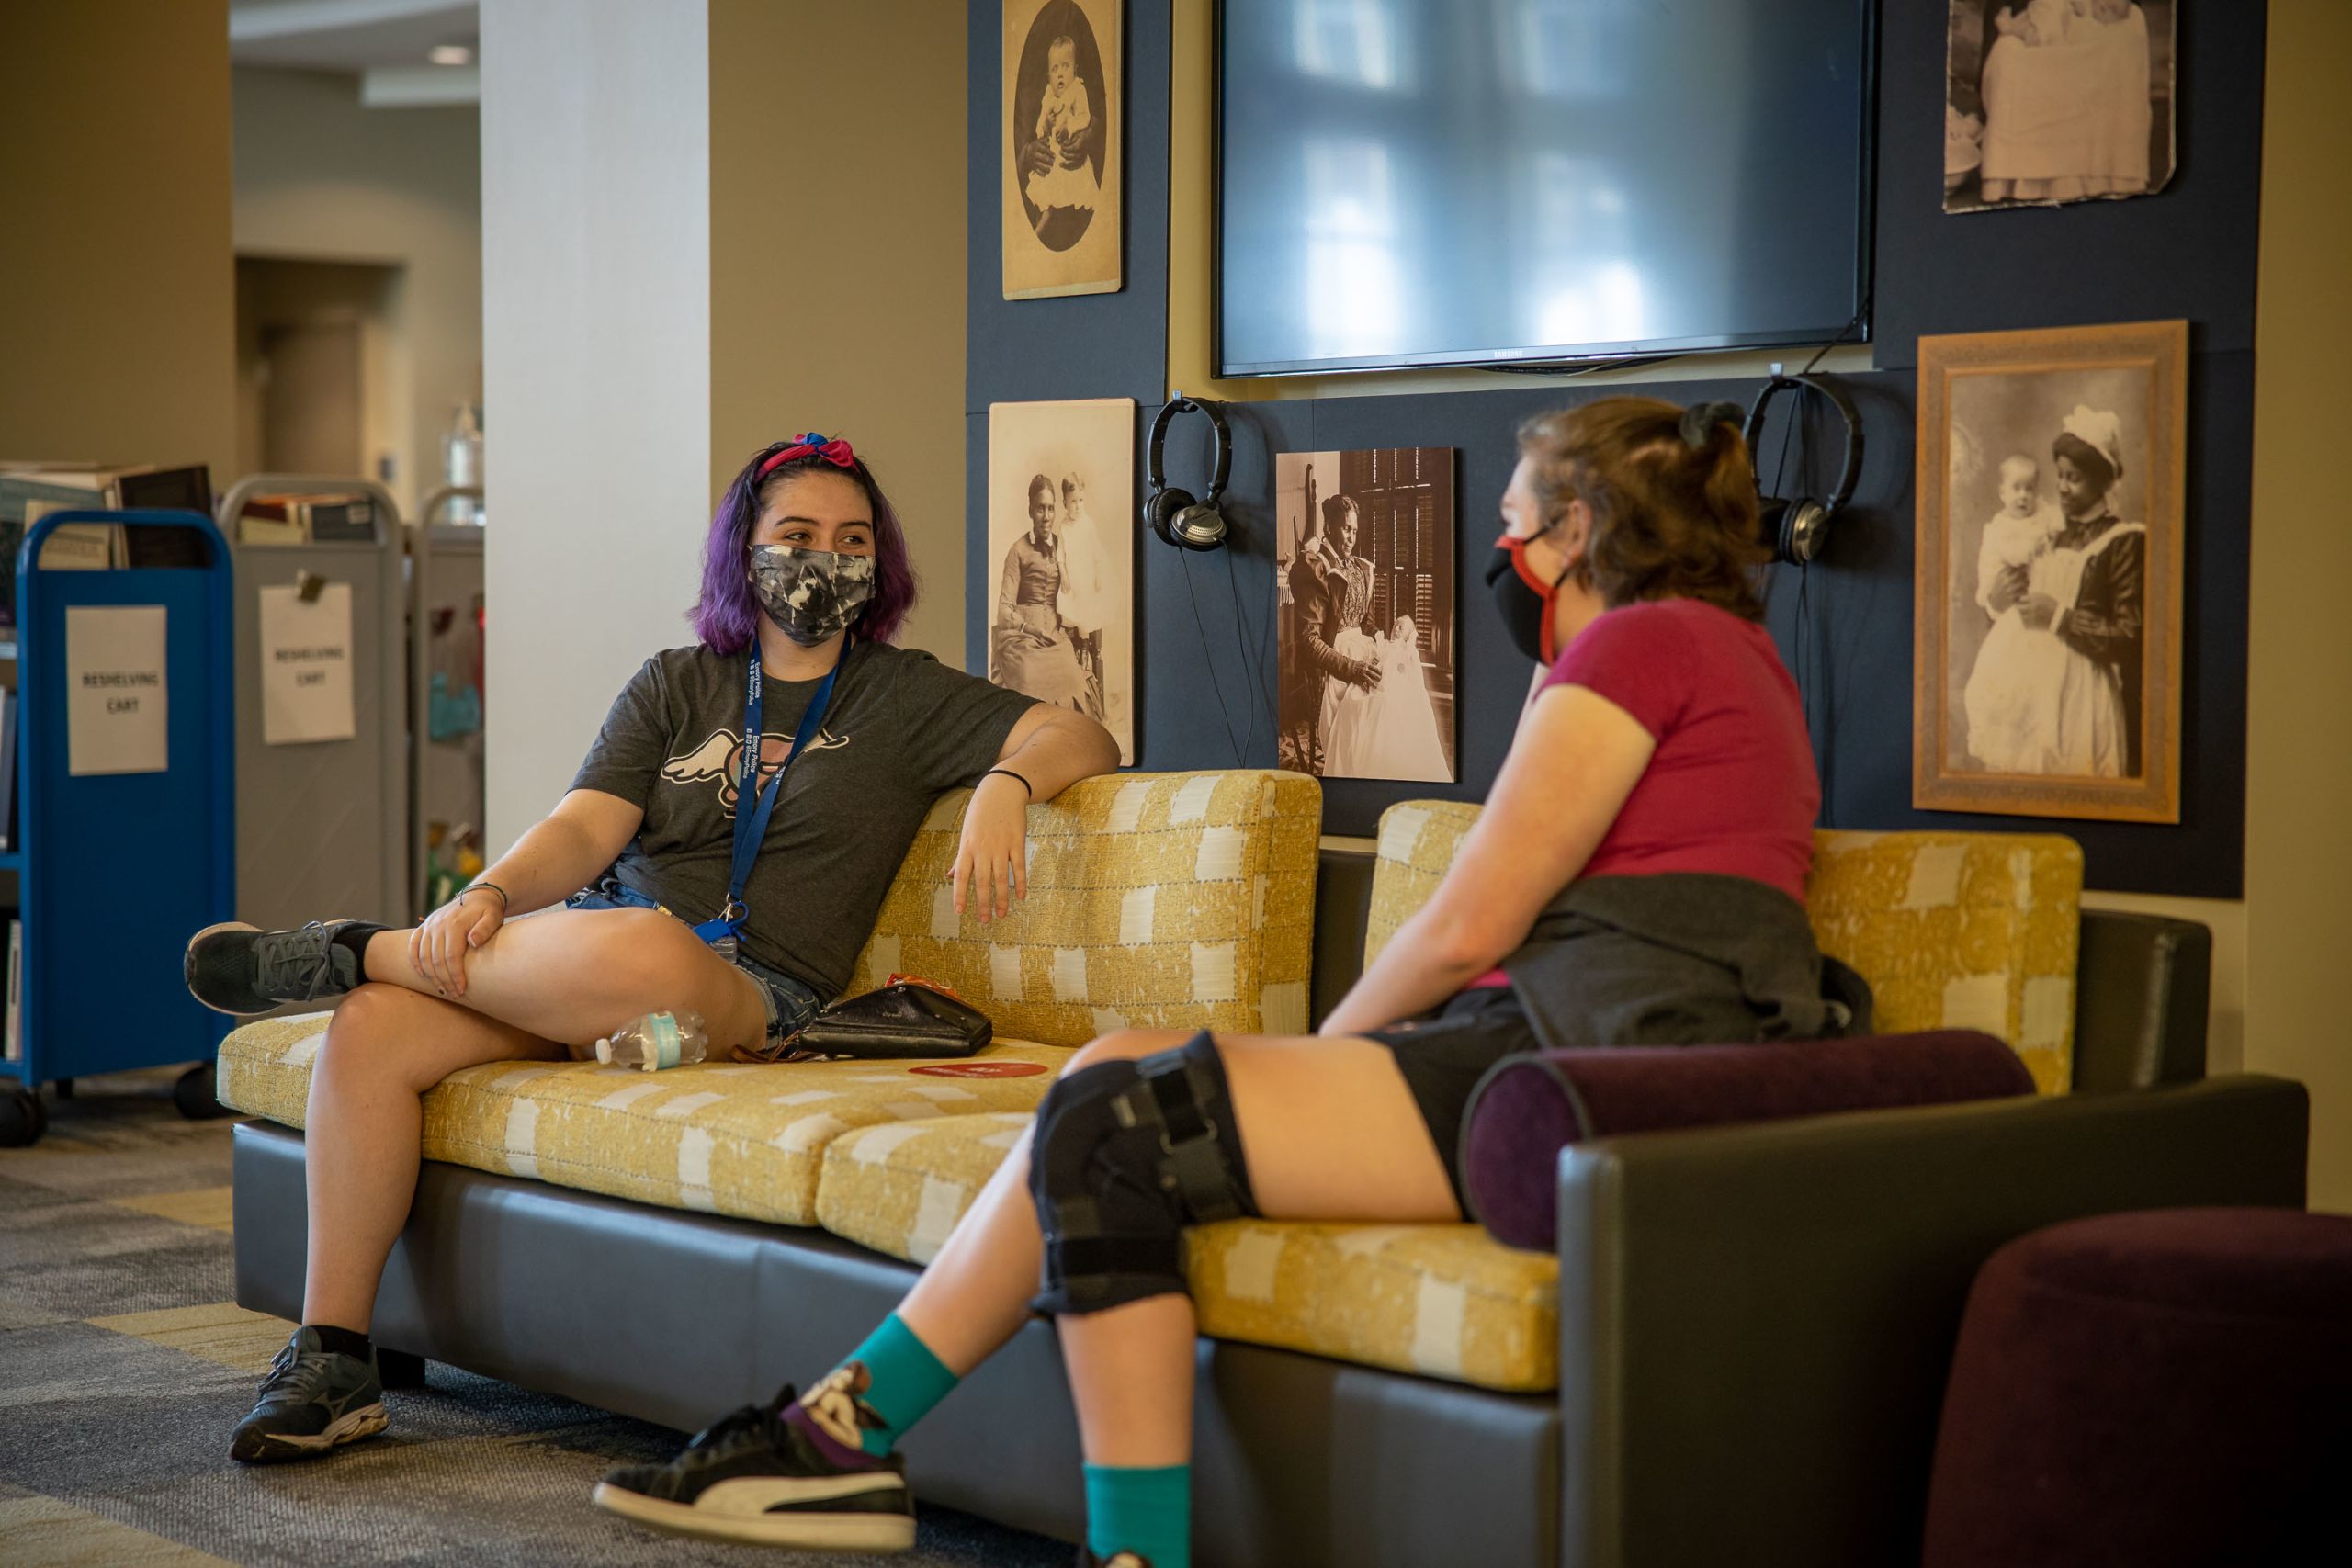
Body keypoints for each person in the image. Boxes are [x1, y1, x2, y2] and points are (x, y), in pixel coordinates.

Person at [588, 397, 1868, 1566]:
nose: (1499, 544)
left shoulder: (1640, 646)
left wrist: (1331, 1051)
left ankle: (1101, 1539)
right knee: (1101, 1067)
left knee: (1109, 1130)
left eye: (1514, 518)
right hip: (1600, 1029)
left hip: (1584, 1048)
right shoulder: (1718, 648)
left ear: (1575, 530)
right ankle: (841, 1429)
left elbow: (1472, 914)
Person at [183, 433, 1119, 1466]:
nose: (825, 560)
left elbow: (1084, 735)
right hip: (583, 966)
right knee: (373, 1032)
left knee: (644, 943)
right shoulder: (676, 684)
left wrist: (1004, 783)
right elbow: (587, 829)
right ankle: (335, 1359)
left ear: (880, 564)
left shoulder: (904, 695)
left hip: (746, 994)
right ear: (743, 554)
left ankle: (359, 947)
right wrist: (490, 894)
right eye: (796, 535)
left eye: (853, 540)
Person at [1986, 406, 2145, 775]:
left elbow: (2129, 635)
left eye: (2073, 478)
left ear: (2103, 482)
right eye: (2059, 476)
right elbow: (2014, 611)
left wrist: (2059, 617)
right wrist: (1997, 598)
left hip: (2083, 696)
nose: (2061, 488)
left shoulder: (2123, 541)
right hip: (2033, 690)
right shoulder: (2047, 532)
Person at [1979, 0, 2152, 205]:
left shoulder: (2102, 17)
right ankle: (2021, 31)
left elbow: (2104, 16)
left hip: (2075, 29)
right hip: (2058, 19)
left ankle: (2021, 30)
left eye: (2108, 8)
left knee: (2060, 27)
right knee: (2041, 23)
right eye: (2105, 6)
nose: (2106, 8)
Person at [1962, 453, 2068, 772]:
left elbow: (2060, 524)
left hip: (2047, 606)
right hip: (2015, 616)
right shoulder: (1998, 530)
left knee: (2046, 689)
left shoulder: (2045, 516)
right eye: (2016, 488)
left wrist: (2051, 531)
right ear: (2002, 492)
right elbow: (2000, 567)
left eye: (2030, 489)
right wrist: (2033, 545)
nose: (2023, 496)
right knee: (2005, 685)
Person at [994, 473, 1101, 717]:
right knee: (1028, 676)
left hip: (1055, 635)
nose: (1046, 516)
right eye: (1040, 509)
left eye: (1051, 509)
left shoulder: (1063, 545)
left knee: (1072, 676)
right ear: (1030, 510)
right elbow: (1003, 610)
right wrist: (1030, 630)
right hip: (1022, 640)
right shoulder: (1017, 551)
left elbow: (1080, 578)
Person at [1291, 493, 1381, 775]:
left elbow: (1366, 622)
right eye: (1346, 528)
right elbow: (1309, 641)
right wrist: (1351, 669)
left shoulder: (1359, 569)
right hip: (1334, 665)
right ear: (1329, 526)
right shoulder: (1315, 567)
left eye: (1355, 530)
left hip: (1363, 651)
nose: (1352, 537)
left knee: (1394, 689)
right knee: (1365, 710)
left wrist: (1384, 641)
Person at [1024, 34, 1098, 216]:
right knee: (1047, 197)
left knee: (1078, 199)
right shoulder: (1048, 96)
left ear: (1075, 70)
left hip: (1071, 154)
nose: (1060, 74)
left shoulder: (1078, 90)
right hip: (1054, 156)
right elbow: (1040, 127)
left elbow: (1085, 118)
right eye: (1055, 68)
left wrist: (1069, 126)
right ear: (1048, 76)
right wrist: (1047, 125)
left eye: (1066, 66)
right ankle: (1047, 216)